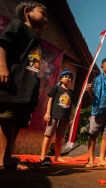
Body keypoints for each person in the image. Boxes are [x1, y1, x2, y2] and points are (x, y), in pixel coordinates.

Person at [0, 1, 48, 171]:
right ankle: (1, 159)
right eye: (42, 13)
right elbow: (3, 44)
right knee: (6, 118)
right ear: (27, 12)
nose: (46, 18)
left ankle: (7, 158)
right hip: (15, 82)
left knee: (18, 122)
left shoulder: (36, 36)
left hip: (28, 86)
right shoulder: (18, 25)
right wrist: (2, 66)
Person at [39, 70, 74, 166]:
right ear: (61, 78)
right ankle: (42, 155)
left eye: (70, 77)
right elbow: (50, 100)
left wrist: (71, 117)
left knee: (60, 138)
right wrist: (47, 113)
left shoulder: (71, 92)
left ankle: (57, 157)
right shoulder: (56, 88)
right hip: (54, 115)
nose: (68, 78)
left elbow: (71, 105)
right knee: (48, 135)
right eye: (66, 76)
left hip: (65, 118)